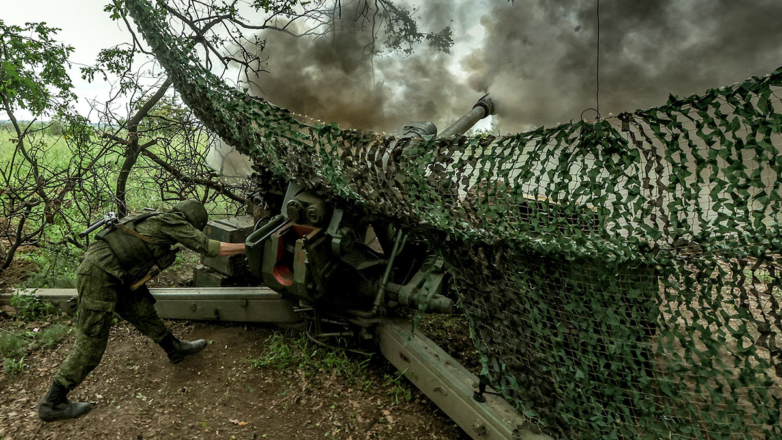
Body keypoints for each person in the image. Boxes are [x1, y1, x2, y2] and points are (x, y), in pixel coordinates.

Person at [38, 200, 246, 421]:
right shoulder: (173, 223)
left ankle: (174, 349)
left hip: (116, 274)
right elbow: (210, 248)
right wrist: (247, 247)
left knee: (142, 311)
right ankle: (53, 402)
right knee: (91, 342)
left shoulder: (157, 216)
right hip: (100, 277)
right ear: (192, 223)